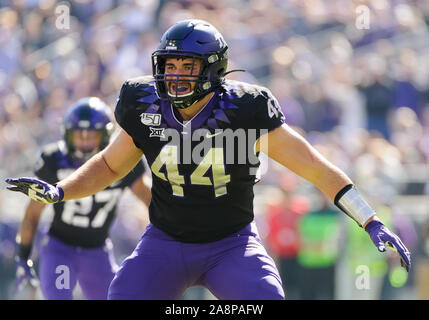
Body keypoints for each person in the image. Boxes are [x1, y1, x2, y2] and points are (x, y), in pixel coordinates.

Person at [6, 19, 410, 300]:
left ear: (213, 70)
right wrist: (60, 191)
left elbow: (314, 167)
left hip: (231, 245)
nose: (176, 74)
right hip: (164, 241)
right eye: (170, 64)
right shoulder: (141, 101)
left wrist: (369, 219)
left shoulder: (246, 108)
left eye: (188, 65)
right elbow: (111, 166)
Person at [11, 97, 151, 300]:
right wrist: (23, 255)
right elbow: (32, 214)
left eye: (91, 136)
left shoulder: (121, 161)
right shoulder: (54, 161)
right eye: (79, 136)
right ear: (67, 135)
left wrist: (165, 240)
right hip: (60, 249)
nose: (85, 143)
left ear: (105, 135)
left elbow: (152, 202)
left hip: (97, 252)